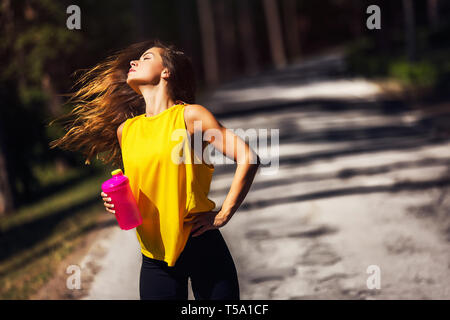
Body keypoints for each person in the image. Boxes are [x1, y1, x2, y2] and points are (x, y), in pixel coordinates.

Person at [49, 39, 260, 300]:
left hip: (201, 244)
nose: (134, 62)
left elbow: (248, 157)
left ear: (166, 72)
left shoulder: (190, 117)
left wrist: (222, 214)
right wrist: (116, 200)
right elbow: (146, 185)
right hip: (154, 256)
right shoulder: (126, 131)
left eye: (146, 58)